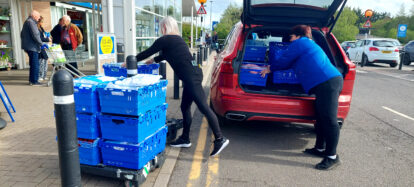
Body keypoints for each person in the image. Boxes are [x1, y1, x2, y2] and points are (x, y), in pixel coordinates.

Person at [134, 16, 229, 156]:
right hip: (194, 74)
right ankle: (185, 138)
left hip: (191, 78)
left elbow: (147, 51)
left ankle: (220, 139)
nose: (161, 31)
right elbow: (166, 55)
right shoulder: (178, 40)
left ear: (165, 28)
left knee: (204, 107)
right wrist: (152, 61)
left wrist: (130, 61)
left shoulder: (165, 40)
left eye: (161, 28)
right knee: (185, 107)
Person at [260, 25, 343, 170]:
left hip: (328, 82)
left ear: (298, 36)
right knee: (320, 117)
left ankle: (332, 157)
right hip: (325, 82)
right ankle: (320, 148)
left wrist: (269, 68)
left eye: (290, 37)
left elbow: (285, 60)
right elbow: (290, 63)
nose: (289, 40)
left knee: (329, 120)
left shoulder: (301, 42)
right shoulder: (307, 44)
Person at [20, 10, 42, 86]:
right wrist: (41, 43)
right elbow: (35, 35)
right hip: (32, 47)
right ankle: (34, 81)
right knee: (35, 64)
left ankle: (32, 80)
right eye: (38, 16)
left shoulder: (27, 22)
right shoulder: (31, 22)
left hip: (29, 46)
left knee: (33, 64)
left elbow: (22, 34)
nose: (39, 18)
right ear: (34, 16)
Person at [37, 16, 51, 81]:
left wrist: (47, 36)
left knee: (45, 60)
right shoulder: (36, 29)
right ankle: (40, 75)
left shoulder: (41, 28)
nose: (42, 23)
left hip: (44, 46)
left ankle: (44, 75)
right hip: (40, 47)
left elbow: (43, 36)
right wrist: (47, 39)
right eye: (42, 21)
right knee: (41, 62)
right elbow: (39, 38)